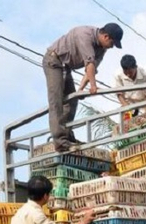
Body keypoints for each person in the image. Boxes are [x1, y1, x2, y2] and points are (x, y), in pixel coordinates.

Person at [43, 23, 124, 152]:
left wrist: (81, 89)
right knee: (56, 101)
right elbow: (89, 64)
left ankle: (68, 136)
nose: (112, 47)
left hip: (66, 67)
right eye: (112, 43)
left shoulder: (101, 49)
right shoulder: (85, 35)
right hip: (54, 61)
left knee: (72, 100)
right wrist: (93, 86)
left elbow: (91, 70)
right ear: (106, 36)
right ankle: (60, 141)